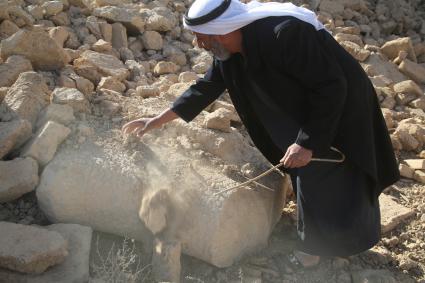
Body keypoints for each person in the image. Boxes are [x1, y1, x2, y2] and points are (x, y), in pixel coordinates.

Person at [122, 0, 400, 267]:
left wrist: (308, 142)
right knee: (316, 175)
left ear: (223, 30)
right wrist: (157, 120)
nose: (199, 44)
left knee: (323, 171)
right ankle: (330, 242)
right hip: (310, 108)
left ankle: (312, 253)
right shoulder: (228, 52)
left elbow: (331, 86)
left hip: (342, 106)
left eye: (202, 37)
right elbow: (205, 87)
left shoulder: (285, 35)